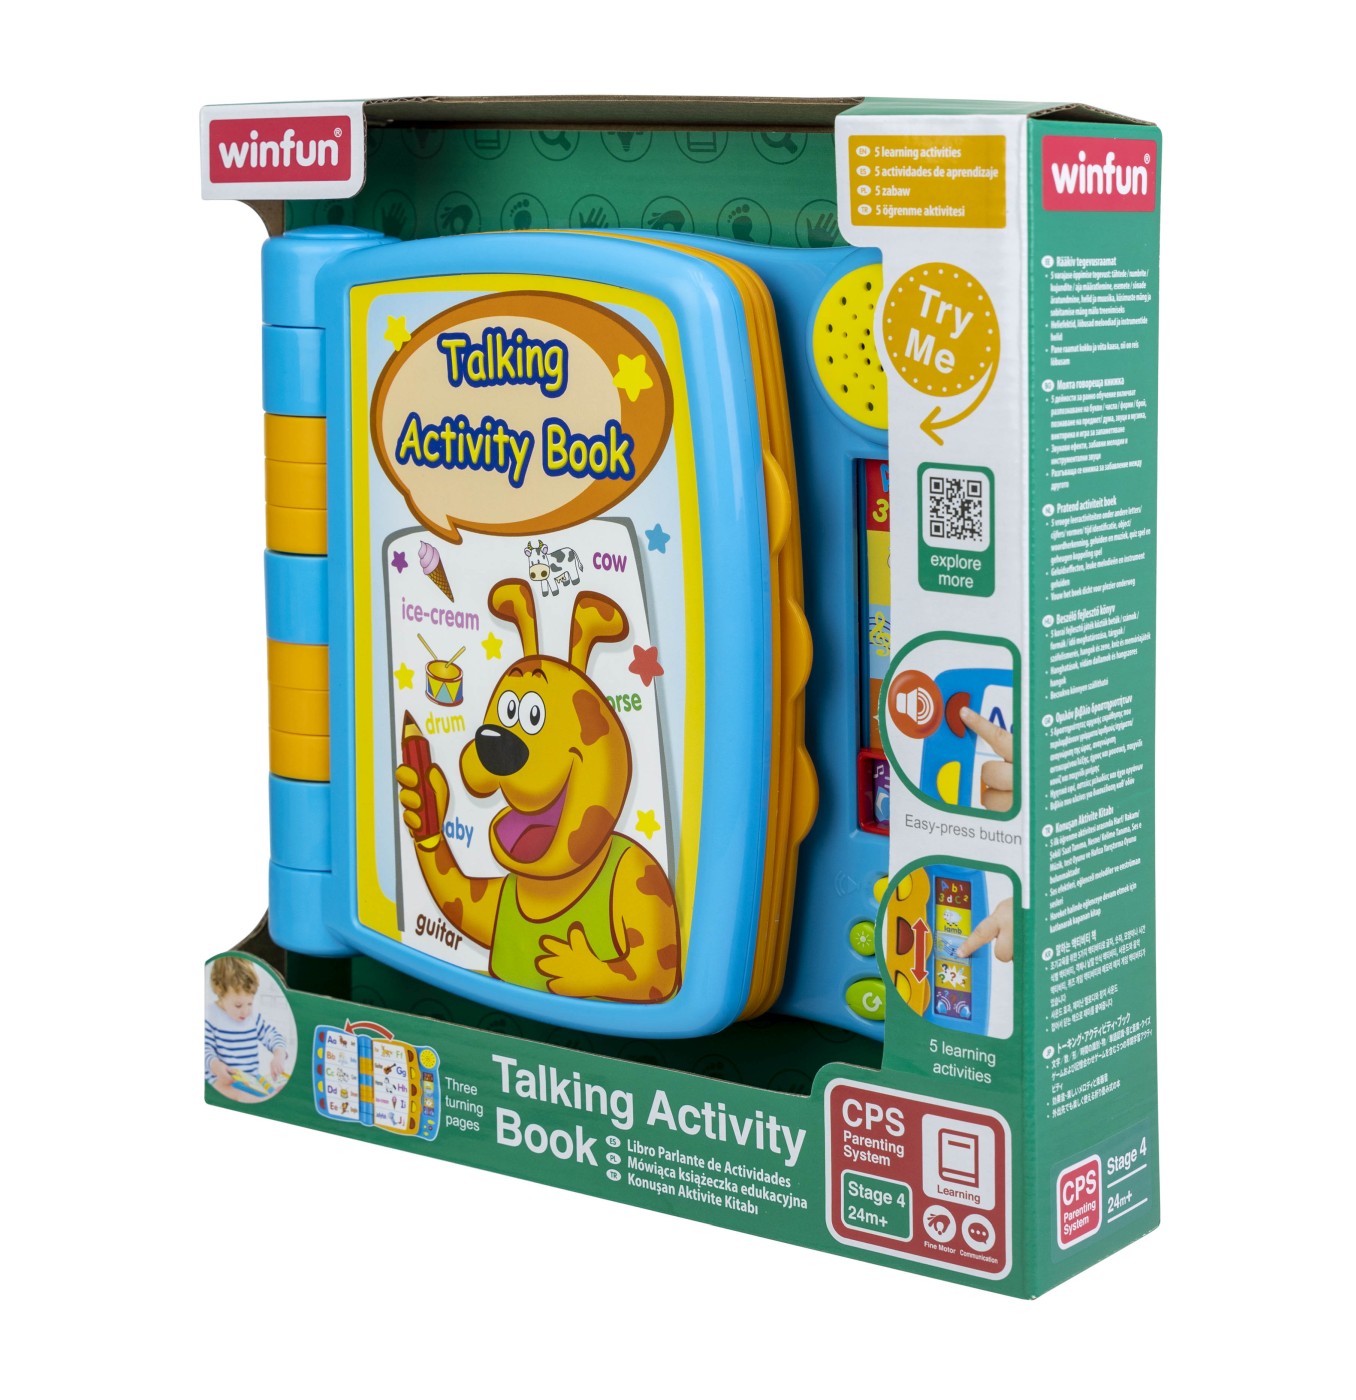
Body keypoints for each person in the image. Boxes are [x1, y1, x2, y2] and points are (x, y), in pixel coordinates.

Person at [205, 957, 288, 1100]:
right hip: (223, 1080)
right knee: (244, 1097)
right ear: (220, 992)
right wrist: (215, 1065)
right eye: (238, 1005)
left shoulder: (253, 1017)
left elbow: (272, 1035)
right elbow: (204, 1048)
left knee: (279, 1090)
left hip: (250, 1080)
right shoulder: (211, 1015)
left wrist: (279, 1054)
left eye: (250, 1003)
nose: (245, 1011)